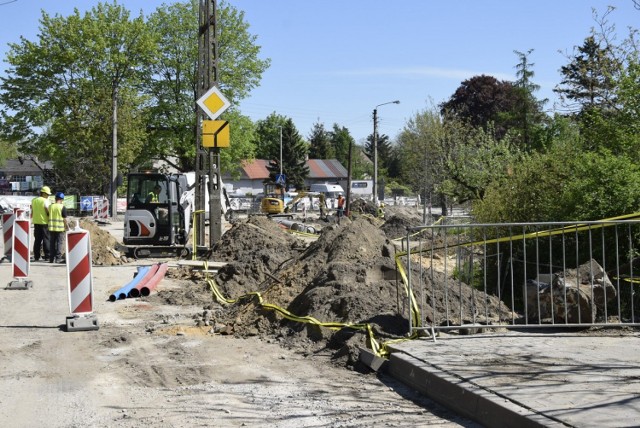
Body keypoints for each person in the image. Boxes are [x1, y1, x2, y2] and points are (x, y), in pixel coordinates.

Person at [31, 185, 51, 261]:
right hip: (44, 222)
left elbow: (32, 211)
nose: (48, 195)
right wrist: (50, 216)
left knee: (37, 240)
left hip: (36, 222)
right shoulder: (45, 201)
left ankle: (36, 256)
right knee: (46, 239)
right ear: (44, 193)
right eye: (48, 194)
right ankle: (47, 256)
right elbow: (47, 209)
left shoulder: (34, 200)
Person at [48, 192, 68, 264]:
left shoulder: (50, 206)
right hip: (60, 228)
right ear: (62, 199)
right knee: (59, 243)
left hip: (51, 228)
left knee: (52, 243)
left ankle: (51, 258)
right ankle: (58, 258)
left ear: (55, 198)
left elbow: (48, 215)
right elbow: (64, 218)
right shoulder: (62, 207)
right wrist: (67, 227)